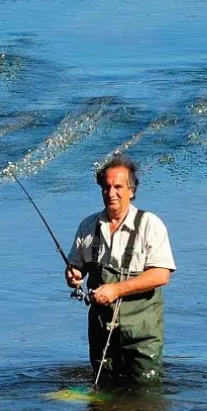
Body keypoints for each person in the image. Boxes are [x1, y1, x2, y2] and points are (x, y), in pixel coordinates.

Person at [64, 154, 176, 381]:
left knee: (147, 390)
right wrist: (73, 275)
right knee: (104, 389)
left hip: (142, 331)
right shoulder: (88, 226)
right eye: (106, 187)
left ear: (131, 191)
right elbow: (76, 268)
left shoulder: (150, 224)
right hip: (101, 330)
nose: (111, 193)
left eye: (118, 187)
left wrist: (116, 290)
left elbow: (161, 275)